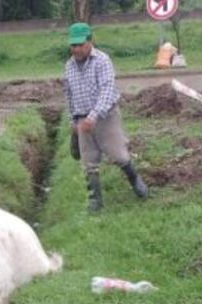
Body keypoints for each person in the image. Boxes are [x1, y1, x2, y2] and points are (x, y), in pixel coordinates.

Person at [63, 22, 148, 213]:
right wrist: (72, 120)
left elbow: (107, 90)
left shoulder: (102, 61)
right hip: (82, 120)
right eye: (73, 45)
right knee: (88, 162)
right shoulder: (69, 66)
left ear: (90, 41)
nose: (76, 49)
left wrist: (93, 116)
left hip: (105, 117)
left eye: (80, 45)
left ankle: (134, 179)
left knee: (118, 155)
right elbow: (68, 94)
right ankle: (95, 200)